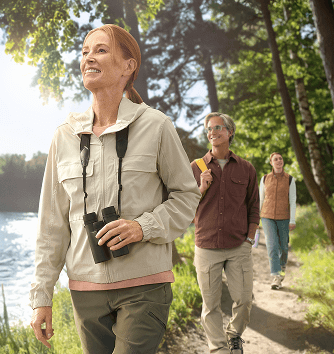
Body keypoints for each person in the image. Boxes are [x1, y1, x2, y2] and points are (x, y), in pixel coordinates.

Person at [29, 24, 201, 354]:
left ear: (128, 65)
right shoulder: (63, 136)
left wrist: (142, 227)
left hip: (145, 287)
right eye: (84, 52)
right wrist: (41, 298)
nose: (88, 58)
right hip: (84, 291)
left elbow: (186, 196)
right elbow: (51, 226)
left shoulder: (156, 125)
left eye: (101, 50)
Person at [191, 112, 259, 354]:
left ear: (230, 132)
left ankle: (234, 336)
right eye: (209, 129)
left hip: (238, 245)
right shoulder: (196, 167)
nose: (213, 132)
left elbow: (253, 206)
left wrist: (250, 238)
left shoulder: (246, 169)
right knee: (210, 305)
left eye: (218, 127)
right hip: (207, 246)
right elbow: (185, 210)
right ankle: (218, 348)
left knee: (244, 300)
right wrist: (201, 188)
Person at [259, 152, 296, 290]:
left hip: (284, 217)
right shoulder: (264, 179)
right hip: (267, 216)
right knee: (272, 245)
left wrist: (292, 219)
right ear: (271, 163)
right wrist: (256, 218)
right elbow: (261, 199)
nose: (279, 161)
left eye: (280, 158)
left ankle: (282, 267)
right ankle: (276, 277)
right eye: (276, 159)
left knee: (283, 248)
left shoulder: (290, 179)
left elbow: (292, 201)